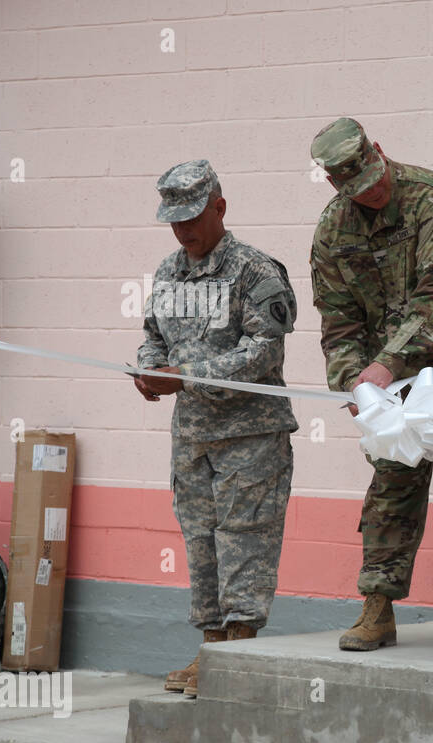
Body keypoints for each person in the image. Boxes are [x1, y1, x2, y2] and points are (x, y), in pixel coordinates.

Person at [309, 118, 433, 654]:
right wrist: (356, 384)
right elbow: (339, 322)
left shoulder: (432, 200)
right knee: (390, 490)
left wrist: (385, 366)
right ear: (333, 184)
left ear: (378, 150)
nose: (370, 191)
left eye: (372, 177)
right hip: (391, 389)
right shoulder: (333, 231)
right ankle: (378, 605)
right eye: (353, 187)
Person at [134, 159, 298, 699]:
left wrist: (187, 376)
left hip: (249, 438)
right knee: (201, 545)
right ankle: (210, 649)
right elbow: (152, 336)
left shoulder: (255, 271)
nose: (183, 231)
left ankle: (235, 654)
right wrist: (148, 369)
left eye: (193, 218)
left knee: (243, 544)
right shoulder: (167, 273)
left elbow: (262, 351)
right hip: (193, 438)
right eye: (174, 221)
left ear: (220, 208)